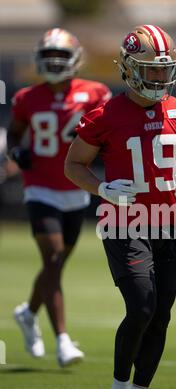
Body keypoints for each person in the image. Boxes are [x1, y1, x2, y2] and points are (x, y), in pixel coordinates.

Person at [65, 25, 176, 389]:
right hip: (122, 222)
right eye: (151, 70)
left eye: (165, 70)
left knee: (161, 315)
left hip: (165, 223)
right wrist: (103, 189)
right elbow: (73, 164)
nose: (160, 78)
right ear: (129, 69)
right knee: (142, 306)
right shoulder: (104, 115)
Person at [7, 28, 112, 367]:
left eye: (61, 56)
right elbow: (16, 133)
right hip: (39, 186)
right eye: (49, 56)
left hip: (76, 188)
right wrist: (15, 152)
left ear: (75, 59)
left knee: (56, 264)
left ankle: (28, 312)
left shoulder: (96, 93)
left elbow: (108, 133)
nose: (54, 62)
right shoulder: (26, 98)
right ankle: (63, 340)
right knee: (53, 259)